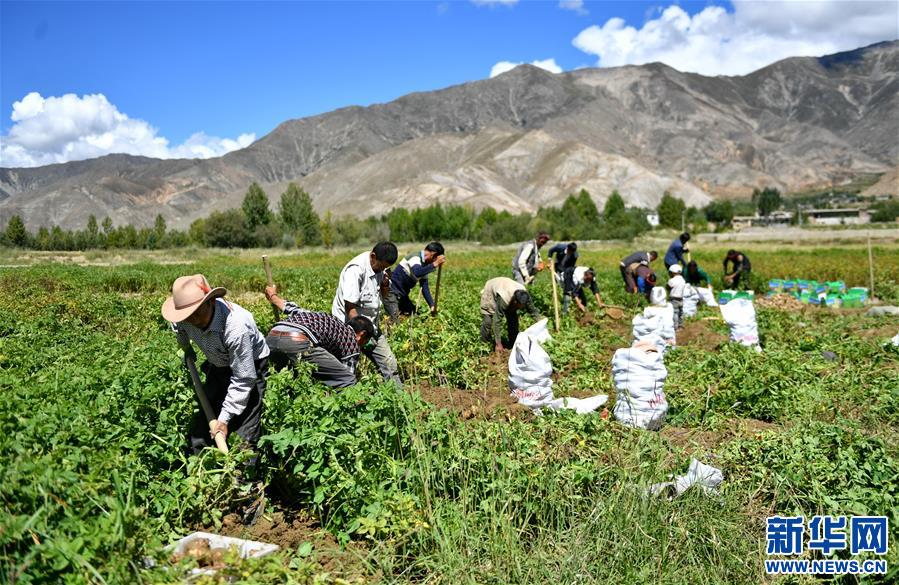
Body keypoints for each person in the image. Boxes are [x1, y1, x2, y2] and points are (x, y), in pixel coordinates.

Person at [161, 274, 269, 462]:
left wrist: (225, 419)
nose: (193, 319)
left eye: (197, 312)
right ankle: (199, 471)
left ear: (211, 301)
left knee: (245, 429)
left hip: (250, 365)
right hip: (218, 362)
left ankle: (245, 482)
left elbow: (244, 378)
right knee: (203, 425)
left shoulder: (235, 326)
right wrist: (185, 347)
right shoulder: (185, 316)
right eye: (187, 315)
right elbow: (179, 327)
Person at [264, 286, 376, 388]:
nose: (362, 347)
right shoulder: (351, 342)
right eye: (365, 342)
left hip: (271, 337)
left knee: (288, 380)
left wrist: (273, 296)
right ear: (362, 334)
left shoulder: (321, 317)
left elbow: (292, 309)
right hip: (297, 342)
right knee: (347, 380)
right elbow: (346, 376)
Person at [332, 242, 402, 386]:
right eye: (381, 266)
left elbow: (384, 294)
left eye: (385, 267)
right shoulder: (356, 270)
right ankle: (345, 401)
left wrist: (385, 284)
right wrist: (363, 336)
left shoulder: (380, 267)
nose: (383, 270)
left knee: (389, 364)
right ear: (373, 256)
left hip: (370, 327)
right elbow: (350, 308)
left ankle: (399, 401)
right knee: (346, 370)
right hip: (349, 329)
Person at [384, 242, 446, 323]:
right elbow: (417, 272)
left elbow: (424, 287)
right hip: (391, 292)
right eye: (435, 259)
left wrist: (432, 305)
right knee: (395, 321)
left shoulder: (424, 265)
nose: (432, 262)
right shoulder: (415, 257)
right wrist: (435, 264)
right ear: (433, 255)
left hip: (402, 295)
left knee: (415, 317)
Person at [480, 276, 542, 353]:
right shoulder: (505, 299)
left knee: (513, 320)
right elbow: (497, 320)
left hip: (506, 286)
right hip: (491, 289)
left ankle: (513, 343)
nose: (521, 308)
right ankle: (484, 345)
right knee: (488, 321)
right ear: (515, 301)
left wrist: (541, 322)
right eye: (519, 305)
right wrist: (498, 343)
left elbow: (533, 311)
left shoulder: (525, 296)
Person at [667, 264, 686, 329]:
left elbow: (668, 287)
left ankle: (675, 326)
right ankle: (681, 325)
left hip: (674, 299)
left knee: (675, 312)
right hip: (681, 298)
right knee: (680, 313)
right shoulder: (683, 280)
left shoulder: (672, 280)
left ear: (672, 272)